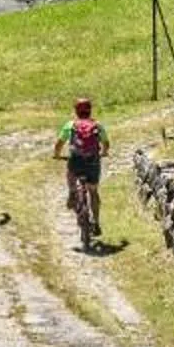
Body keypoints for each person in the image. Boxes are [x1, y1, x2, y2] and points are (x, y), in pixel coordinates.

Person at [54, 97, 106, 250]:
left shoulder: (70, 125)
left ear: (76, 111)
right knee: (93, 191)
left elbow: (59, 144)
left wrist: (57, 155)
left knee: (70, 174)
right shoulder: (97, 125)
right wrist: (104, 153)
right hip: (93, 162)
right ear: (90, 110)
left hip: (76, 162)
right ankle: (96, 223)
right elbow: (106, 144)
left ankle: (71, 192)